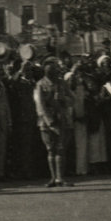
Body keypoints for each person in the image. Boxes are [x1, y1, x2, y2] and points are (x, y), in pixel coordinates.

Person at [34, 58, 74, 187]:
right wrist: (50, 123)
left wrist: (64, 99)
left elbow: (72, 99)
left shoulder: (62, 83)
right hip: (47, 122)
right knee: (50, 149)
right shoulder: (40, 84)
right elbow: (40, 105)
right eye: (50, 70)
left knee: (61, 149)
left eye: (55, 70)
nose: (54, 73)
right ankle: (53, 177)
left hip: (62, 119)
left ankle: (60, 178)